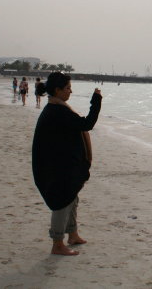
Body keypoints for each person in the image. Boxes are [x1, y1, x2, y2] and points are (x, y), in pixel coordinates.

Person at [32, 72, 102, 256]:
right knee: (62, 203)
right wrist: (96, 100)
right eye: (68, 88)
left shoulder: (57, 109)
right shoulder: (57, 112)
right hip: (57, 169)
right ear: (58, 90)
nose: (71, 91)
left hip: (63, 166)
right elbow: (86, 124)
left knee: (72, 199)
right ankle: (57, 244)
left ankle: (72, 234)